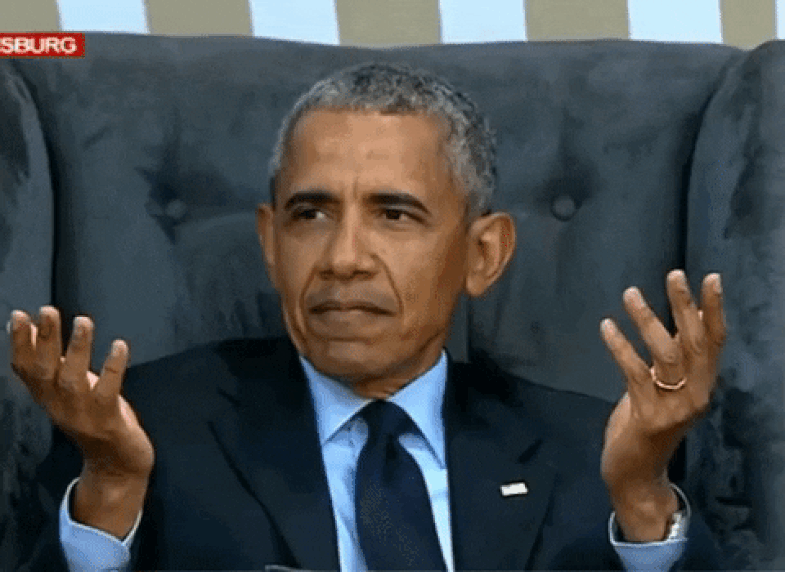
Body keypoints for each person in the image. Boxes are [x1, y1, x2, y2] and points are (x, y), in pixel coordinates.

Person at [10, 62, 726, 571]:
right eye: (310, 214)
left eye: (394, 214)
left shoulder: (589, 454)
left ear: (482, 254)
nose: (343, 258)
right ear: (270, 243)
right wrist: (110, 493)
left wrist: (642, 502)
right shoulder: (139, 433)